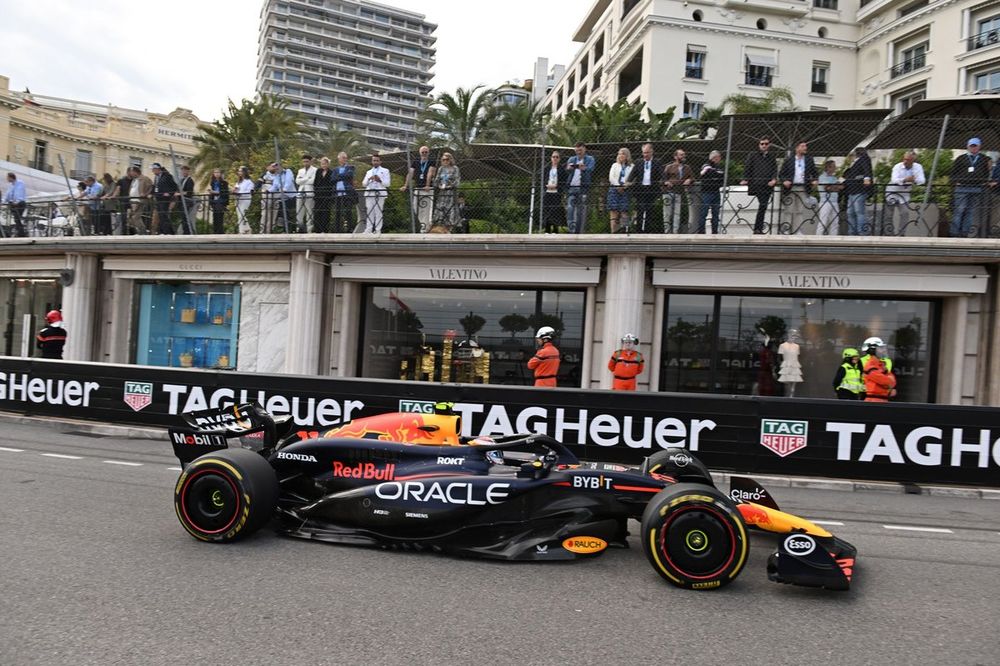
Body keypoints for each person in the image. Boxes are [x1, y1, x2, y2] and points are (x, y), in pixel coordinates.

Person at [950, 137, 993, 237]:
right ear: (968, 147)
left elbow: (988, 171)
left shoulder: (984, 158)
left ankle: (965, 232)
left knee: (970, 211)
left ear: (979, 147)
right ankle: (954, 232)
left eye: (975, 146)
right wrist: (955, 182)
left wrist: (985, 181)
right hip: (962, 187)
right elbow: (953, 172)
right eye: (971, 146)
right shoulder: (961, 158)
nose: (973, 148)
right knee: (959, 210)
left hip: (977, 188)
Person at [779, 141, 818, 234]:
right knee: (789, 210)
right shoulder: (789, 160)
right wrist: (784, 181)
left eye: (805, 146)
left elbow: (815, 173)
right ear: (797, 148)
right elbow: (781, 174)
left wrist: (814, 180)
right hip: (791, 188)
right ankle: (786, 230)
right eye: (803, 146)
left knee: (799, 210)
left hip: (803, 188)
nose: (805, 148)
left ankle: (797, 230)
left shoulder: (809, 160)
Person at [882, 151, 925, 236]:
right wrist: (905, 180)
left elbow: (922, 180)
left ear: (913, 161)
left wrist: (914, 180)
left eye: (907, 160)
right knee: (888, 215)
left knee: (904, 213)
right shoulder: (897, 166)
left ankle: (901, 234)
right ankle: (889, 233)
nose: (905, 161)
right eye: (904, 159)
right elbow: (894, 180)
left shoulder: (918, 167)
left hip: (904, 195)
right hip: (892, 193)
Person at [741, 137, 778, 234]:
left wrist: (774, 179)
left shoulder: (771, 157)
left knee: (763, 206)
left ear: (769, 145)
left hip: (767, 186)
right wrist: (745, 179)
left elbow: (774, 169)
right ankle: (757, 228)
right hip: (756, 184)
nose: (764, 145)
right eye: (762, 144)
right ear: (759, 145)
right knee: (763, 205)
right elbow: (748, 167)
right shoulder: (753, 155)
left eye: (766, 144)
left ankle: (758, 228)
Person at [401, 145, 436, 233]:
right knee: (416, 208)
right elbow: (410, 173)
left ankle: (425, 228)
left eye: (426, 152)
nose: (424, 153)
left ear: (428, 153)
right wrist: (405, 185)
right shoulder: (416, 161)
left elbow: (430, 173)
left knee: (427, 209)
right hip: (418, 188)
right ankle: (423, 226)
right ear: (420, 153)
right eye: (422, 152)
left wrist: (427, 185)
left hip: (427, 189)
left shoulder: (431, 161)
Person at [565, 142, 595, 234]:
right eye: (577, 150)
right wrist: (569, 168)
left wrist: (584, 168)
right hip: (572, 187)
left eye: (580, 150)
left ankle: (579, 232)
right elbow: (567, 170)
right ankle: (571, 230)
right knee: (570, 208)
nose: (578, 152)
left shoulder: (590, 159)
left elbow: (591, 169)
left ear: (584, 149)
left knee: (580, 211)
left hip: (583, 187)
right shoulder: (572, 159)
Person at [842, 147, 873, 236]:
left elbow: (866, 169)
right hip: (852, 190)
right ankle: (852, 232)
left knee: (859, 211)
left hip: (859, 190)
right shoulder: (855, 162)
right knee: (850, 212)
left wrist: (867, 178)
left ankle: (862, 232)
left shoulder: (864, 159)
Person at [633, 143, 663, 232]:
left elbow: (661, 173)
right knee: (640, 209)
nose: (645, 155)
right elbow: (633, 174)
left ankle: (647, 229)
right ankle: (639, 230)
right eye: (644, 153)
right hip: (640, 189)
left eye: (647, 152)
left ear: (651, 152)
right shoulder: (638, 162)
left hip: (651, 189)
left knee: (649, 209)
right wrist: (628, 182)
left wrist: (665, 181)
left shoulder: (657, 162)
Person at [662, 149, 693, 233]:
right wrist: (666, 182)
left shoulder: (687, 168)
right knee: (667, 214)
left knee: (677, 214)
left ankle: (675, 232)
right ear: (675, 157)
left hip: (679, 192)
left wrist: (689, 180)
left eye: (684, 154)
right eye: (681, 155)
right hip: (668, 192)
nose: (683, 156)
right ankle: (667, 232)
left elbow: (692, 178)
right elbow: (663, 179)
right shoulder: (669, 167)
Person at [696, 150, 724, 234]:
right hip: (706, 192)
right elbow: (704, 174)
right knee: (703, 212)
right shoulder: (706, 166)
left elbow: (722, 177)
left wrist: (714, 176)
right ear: (715, 157)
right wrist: (715, 176)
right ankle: (701, 232)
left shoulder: (719, 167)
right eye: (719, 157)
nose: (720, 159)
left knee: (716, 213)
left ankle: (715, 232)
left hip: (716, 192)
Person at [607, 147, 634, 233]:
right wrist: (618, 186)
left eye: (623, 154)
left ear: (627, 156)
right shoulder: (614, 165)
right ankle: (613, 231)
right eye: (619, 154)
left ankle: (625, 230)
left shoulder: (632, 166)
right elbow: (611, 177)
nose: (620, 156)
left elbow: (633, 179)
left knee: (624, 210)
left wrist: (626, 186)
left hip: (626, 189)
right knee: (613, 210)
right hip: (614, 188)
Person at [362, 154, 390, 234]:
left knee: (378, 212)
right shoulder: (368, 172)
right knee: (369, 212)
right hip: (370, 193)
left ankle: (378, 230)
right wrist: (369, 179)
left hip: (379, 194)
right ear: (372, 161)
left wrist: (379, 180)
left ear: (380, 162)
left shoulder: (385, 171)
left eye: (377, 160)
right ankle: (368, 230)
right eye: (374, 160)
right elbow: (364, 184)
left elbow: (387, 184)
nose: (375, 162)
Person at [432, 152, 460, 231]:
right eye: (443, 160)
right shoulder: (441, 168)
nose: (445, 161)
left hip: (451, 192)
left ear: (450, 159)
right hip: (442, 192)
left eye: (447, 159)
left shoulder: (455, 168)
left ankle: (450, 226)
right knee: (440, 207)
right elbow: (437, 180)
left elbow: (457, 180)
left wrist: (450, 186)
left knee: (450, 208)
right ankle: (440, 225)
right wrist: (438, 185)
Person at [540, 150, 565, 233]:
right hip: (547, 192)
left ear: (559, 159)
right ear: (551, 158)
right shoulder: (547, 168)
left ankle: (555, 230)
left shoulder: (561, 169)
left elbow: (563, 181)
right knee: (547, 210)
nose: (555, 158)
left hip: (556, 192)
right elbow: (543, 179)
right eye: (553, 157)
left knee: (555, 211)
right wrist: (546, 185)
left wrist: (556, 186)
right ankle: (547, 230)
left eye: (557, 157)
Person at [331, 152, 356, 234]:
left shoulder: (351, 167)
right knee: (337, 212)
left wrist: (338, 176)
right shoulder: (335, 169)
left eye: (345, 157)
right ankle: (337, 229)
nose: (345, 159)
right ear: (339, 159)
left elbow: (349, 175)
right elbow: (332, 179)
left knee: (348, 211)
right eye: (343, 157)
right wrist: (343, 176)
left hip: (347, 193)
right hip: (337, 193)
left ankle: (349, 229)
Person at [150, 162, 178, 234]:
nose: (153, 171)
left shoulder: (167, 176)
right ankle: (164, 231)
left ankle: (168, 232)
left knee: (164, 215)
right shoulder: (156, 177)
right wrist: (151, 193)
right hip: (158, 198)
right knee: (161, 215)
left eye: (153, 169)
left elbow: (174, 186)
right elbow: (155, 187)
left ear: (157, 169)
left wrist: (169, 193)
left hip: (164, 199)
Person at [816, 159, 842, 235]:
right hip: (825, 202)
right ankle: (818, 237)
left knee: (835, 222)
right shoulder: (822, 177)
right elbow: (827, 188)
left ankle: (833, 237)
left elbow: (840, 188)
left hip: (834, 201)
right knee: (823, 221)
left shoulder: (834, 178)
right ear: (828, 167)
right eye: (833, 166)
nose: (835, 168)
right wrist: (835, 186)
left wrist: (833, 187)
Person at [127, 166, 153, 234]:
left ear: (136, 172)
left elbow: (151, 187)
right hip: (133, 200)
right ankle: (139, 231)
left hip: (140, 200)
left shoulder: (144, 178)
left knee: (136, 217)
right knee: (132, 217)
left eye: (132, 172)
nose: (131, 173)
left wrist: (145, 194)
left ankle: (143, 232)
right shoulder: (134, 180)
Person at [777, 330, 803, 397]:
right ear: (788, 335)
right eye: (792, 335)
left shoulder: (797, 346)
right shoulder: (782, 345)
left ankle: (792, 392)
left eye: (795, 335)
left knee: (794, 381)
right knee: (787, 382)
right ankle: (788, 394)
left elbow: (797, 356)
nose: (793, 337)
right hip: (786, 365)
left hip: (794, 365)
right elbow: (779, 358)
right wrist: (780, 366)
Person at [3, 172, 28, 237]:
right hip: (13, 204)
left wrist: (17, 201)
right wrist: (3, 201)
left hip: (19, 203)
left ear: (11, 177)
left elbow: (19, 193)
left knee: (17, 218)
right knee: (16, 219)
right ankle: (19, 233)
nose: (7, 179)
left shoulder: (20, 183)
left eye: (7, 177)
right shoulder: (11, 185)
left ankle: (21, 234)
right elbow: (7, 195)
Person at [296, 154, 316, 232]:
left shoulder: (315, 170)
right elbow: (297, 181)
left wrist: (303, 179)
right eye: (304, 162)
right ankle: (299, 228)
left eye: (307, 161)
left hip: (309, 193)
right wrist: (307, 178)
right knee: (299, 211)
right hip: (300, 192)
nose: (305, 163)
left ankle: (309, 230)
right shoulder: (300, 171)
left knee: (309, 212)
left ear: (310, 162)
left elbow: (313, 181)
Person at [231, 166, 254, 234]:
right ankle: (246, 229)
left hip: (245, 199)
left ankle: (242, 230)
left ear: (245, 172)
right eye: (239, 171)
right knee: (240, 215)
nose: (239, 172)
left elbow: (249, 191)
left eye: (241, 171)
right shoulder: (239, 182)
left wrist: (240, 193)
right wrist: (234, 191)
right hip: (238, 199)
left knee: (242, 214)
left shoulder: (249, 182)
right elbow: (236, 189)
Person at [313, 157, 333, 233]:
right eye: (322, 164)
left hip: (327, 195)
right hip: (318, 195)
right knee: (317, 212)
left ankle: (325, 229)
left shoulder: (331, 172)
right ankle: (317, 229)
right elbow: (315, 182)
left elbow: (331, 183)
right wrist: (316, 191)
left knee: (326, 212)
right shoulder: (318, 171)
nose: (324, 165)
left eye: (325, 164)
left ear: (328, 164)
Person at [176, 165, 196, 234]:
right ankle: (186, 231)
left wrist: (179, 194)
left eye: (185, 171)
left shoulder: (190, 180)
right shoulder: (182, 180)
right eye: (182, 171)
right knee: (183, 218)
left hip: (186, 201)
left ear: (188, 171)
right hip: (181, 201)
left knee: (185, 218)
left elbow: (189, 192)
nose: (183, 172)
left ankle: (188, 232)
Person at [208, 169, 229, 234]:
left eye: (218, 172)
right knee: (215, 216)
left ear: (220, 174)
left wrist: (215, 192)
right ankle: (215, 231)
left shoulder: (224, 183)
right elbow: (211, 192)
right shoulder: (212, 182)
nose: (216, 174)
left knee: (220, 216)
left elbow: (225, 192)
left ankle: (220, 231)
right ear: (213, 174)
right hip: (214, 201)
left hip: (221, 201)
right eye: (215, 172)